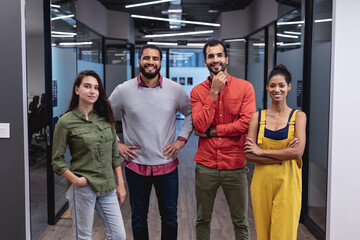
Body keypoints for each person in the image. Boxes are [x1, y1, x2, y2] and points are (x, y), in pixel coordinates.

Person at [109, 44, 193, 240]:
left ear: (160, 62)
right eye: (146, 58)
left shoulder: (175, 90)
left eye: (155, 58)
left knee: (170, 217)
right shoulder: (123, 90)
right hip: (136, 166)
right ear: (139, 61)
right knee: (138, 217)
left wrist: (181, 140)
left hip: (167, 166)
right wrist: (117, 143)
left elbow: (190, 114)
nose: (150, 62)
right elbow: (103, 116)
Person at [190, 40, 256, 240]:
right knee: (202, 219)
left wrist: (213, 132)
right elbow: (200, 126)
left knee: (240, 222)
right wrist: (213, 92)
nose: (215, 59)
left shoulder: (245, 88)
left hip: (234, 165)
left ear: (226, 59)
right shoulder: (197, 92)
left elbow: (245, 124)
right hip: (206, 166)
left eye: (219, 55)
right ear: (205, 61)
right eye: (211, 56)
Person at [52, 70, 126, 240]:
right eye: (87, 86)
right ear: (77, 90)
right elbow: (57, 160)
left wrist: (120, 184)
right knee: (84, 237)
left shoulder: (105, 119)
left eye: (96, 87)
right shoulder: (66, 121)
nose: (93, 91)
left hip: (107, 187)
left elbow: (115, 153)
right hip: (83, 188)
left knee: (118, 236)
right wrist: (76, 180)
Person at [244, 64, 307, 240]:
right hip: (261, 183)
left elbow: (297, 153)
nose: (276, 89)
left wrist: (261, 152)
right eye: (272, 85)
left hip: (288, 183)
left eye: (281, 85)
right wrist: (284, 154)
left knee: (284, 234)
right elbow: (249, 155)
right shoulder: (258, 117)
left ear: (289, 87)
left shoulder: (298, 117)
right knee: (263, 234)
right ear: (267, 87)